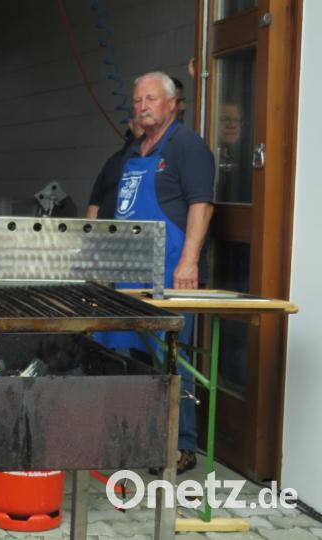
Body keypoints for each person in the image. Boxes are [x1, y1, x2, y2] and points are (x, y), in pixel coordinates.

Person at [100, 71, 214, 474]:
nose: (142, 107)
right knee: (128, 359)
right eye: (137, 101)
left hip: (168, 271)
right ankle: (137, 439)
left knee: (171, 358)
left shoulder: (188, 146)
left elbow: (201, 205)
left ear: (171, 104)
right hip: (128, 270)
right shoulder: (136, 150)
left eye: (150, 99)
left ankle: (181, 446)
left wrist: (189, 261)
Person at [85, 119, 143, 219]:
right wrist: (90, 232)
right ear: (131, 124)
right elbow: (94, 204)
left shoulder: (163, 157)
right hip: (105, 231)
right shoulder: (114, 161)